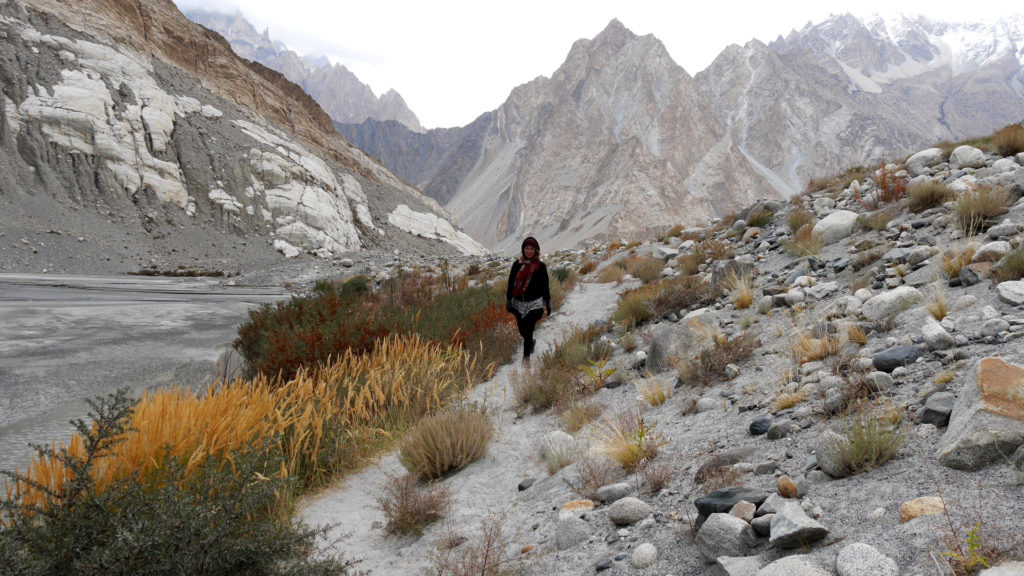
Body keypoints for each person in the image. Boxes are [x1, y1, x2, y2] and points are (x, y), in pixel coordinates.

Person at [506, 236, 551, 367]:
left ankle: (526, 359)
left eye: (532, 249)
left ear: (536, 250)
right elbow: (511, 283)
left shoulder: (541, 267)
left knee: (529, 328)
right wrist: (509, 299)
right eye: (527, 248)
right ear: (523, 249)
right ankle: (530, 342)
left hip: (535, 304)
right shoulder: (517, 265)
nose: (529, 251)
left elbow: (545, 286)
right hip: (519, 302)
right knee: (522, 330)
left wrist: (547, 303)